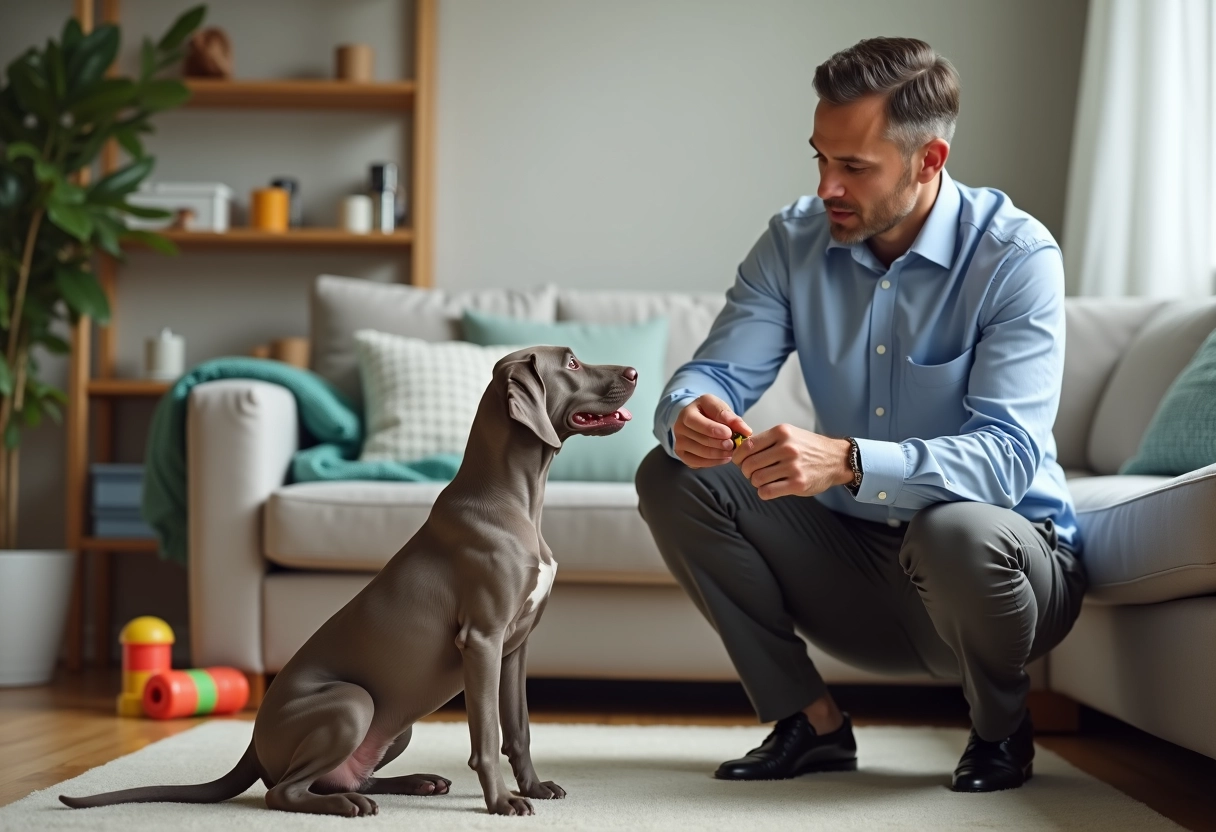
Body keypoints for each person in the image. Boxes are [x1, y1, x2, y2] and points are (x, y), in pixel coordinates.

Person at [634, 36, 1086, 793]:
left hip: (1005, 578)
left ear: (929, 161)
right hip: (853, 569)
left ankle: (1001, 730)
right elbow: (714, 371)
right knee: (674, 475)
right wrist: (689, 412)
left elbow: (1008, 458)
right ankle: (807, 723)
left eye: (854, 167)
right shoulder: (793, 240)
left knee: (957, 525)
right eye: (820, 158)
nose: (827, 188)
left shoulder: (1016, 256)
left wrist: (850, 460)